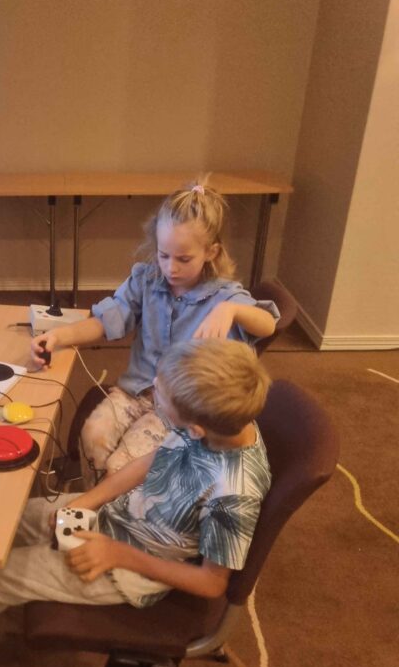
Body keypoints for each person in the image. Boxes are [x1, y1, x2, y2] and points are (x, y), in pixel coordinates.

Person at [0, 338, 272, 667]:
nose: (153, 392)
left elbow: (212, 583)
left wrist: (117, 554)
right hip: (114, 520)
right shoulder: (209, 426)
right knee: (5, 517)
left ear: (194, 429)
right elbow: (150, 461)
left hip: (131, 569)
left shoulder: (234, 492)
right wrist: (87, 501)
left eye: (160, 397)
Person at [29, 178, 279, 479]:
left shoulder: (224, 295)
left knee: (121, 467)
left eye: (184, 259)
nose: (171, 268)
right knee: (93, 435)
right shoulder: (147, 280)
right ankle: (108, 497)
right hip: (136, 391)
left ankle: (119, 501)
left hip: (177, 409)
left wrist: (232, 310)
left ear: (211, 252)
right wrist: (58, 336)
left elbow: (268, 324)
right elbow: (104, 322)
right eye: (163, 255)